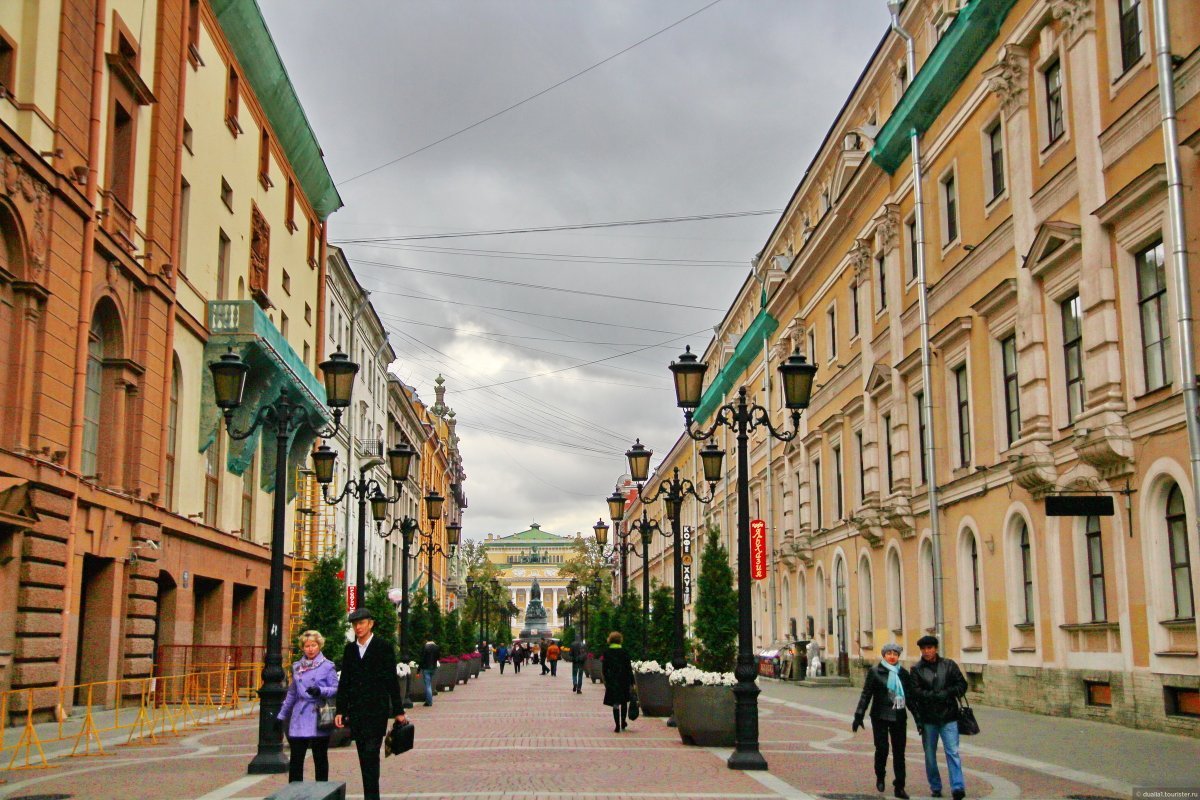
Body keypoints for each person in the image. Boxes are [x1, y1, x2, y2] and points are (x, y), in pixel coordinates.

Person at [335, 608, 404, 800]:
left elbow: (391, 681)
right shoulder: (350, 650)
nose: (358, 627)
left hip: (376, 711)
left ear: (370, 624)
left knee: (371, 754)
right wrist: (340, 709)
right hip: (356, 712)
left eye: (362, 623)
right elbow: (345, 682)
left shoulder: (383, 647)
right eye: (355, 624)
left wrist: (398, 711)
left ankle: (372, 796)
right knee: (363, 757)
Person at [910, 635, 968, 800]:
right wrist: (933, 695)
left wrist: (947, 693)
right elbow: (915, 692)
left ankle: (957, 787)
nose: (927, 651)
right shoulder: (917, 669)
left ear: (936, 648)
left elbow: (962, 685)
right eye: (924, 649)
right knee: (929, 755)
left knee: (953, 752)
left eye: (930, 648)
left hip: (949, 716)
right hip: (928, 719)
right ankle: (935, 786)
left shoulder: (948, 665)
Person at [853, 642, 914, 799]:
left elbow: (911, 699)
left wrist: (919, 720)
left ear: (898, 656)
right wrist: (859, 715)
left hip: (899, 716)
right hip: (880, 715)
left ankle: (899, 786)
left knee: (899, 752)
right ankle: (880, 775)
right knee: (882, 749)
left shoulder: (904, 674)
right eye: (889, 653)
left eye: (895, 654)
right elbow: (866, 694)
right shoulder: (875, 672)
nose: (892, 656)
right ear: (884, 655)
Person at [277, 630, 338, 783]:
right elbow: (292, 693)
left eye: (313, 645)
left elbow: (336, 689)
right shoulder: (297, 666)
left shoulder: (327, 666)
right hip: (300, 715)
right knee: (296, 758)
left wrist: (320, 691)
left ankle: (322, 791)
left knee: (320, 757)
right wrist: (281, 716)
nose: (310, 649)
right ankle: (295, 791)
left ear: (319, 646)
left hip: (319, 714)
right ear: (302, 648)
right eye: (307, 646)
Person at [601, 631, 634, 733]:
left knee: (615, 703)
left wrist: (606, 680)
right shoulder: (624, 651)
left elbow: (604, 668)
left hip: (612, 680)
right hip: (624, 679)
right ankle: (623, 722)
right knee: (624, 702)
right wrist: (632, 681)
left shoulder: (607, 652)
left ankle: (617, 726)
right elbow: (628, 667)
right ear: (620, 640)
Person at [419, 638, 440, 706]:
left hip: (426, 668)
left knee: (428, 685)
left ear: (426, 640)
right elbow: (438, 657)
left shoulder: (425, 647)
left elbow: (422, 659)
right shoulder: (436, 647)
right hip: (433, 667)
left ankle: (429, 701)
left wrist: (418, 670)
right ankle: (428, 700)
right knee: (429, 683)